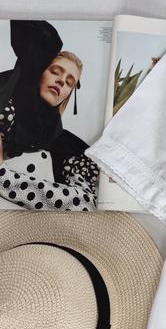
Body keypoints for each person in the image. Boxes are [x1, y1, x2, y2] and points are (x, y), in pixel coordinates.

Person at [0, 20, 99, 211]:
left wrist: (4, 177)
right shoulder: (5, 101)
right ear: (40, 72)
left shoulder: (66, 145)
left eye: (69, 82)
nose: (61, 81)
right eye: (55, 72)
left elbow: (85, 203)